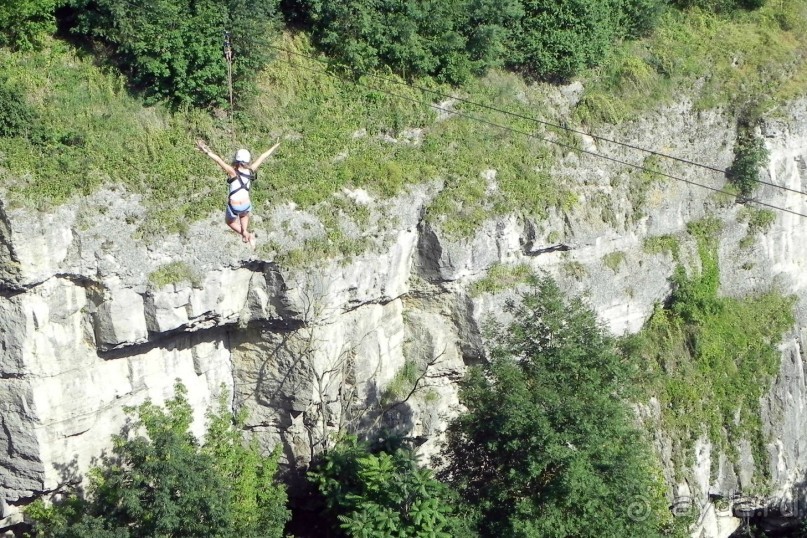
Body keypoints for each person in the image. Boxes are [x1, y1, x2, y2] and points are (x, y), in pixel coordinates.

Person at [196, 139, 280, 248]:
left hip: (234, 205)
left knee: (230, 222)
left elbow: (218, 160)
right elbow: (263, 156)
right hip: (245, 204)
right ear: (248, 160)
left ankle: (246, 234)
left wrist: (205, 150)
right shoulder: (251, 170)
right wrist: (274, 146)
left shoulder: (232, 172)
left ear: (236, 159)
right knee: (243, 214)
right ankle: (246, 233)